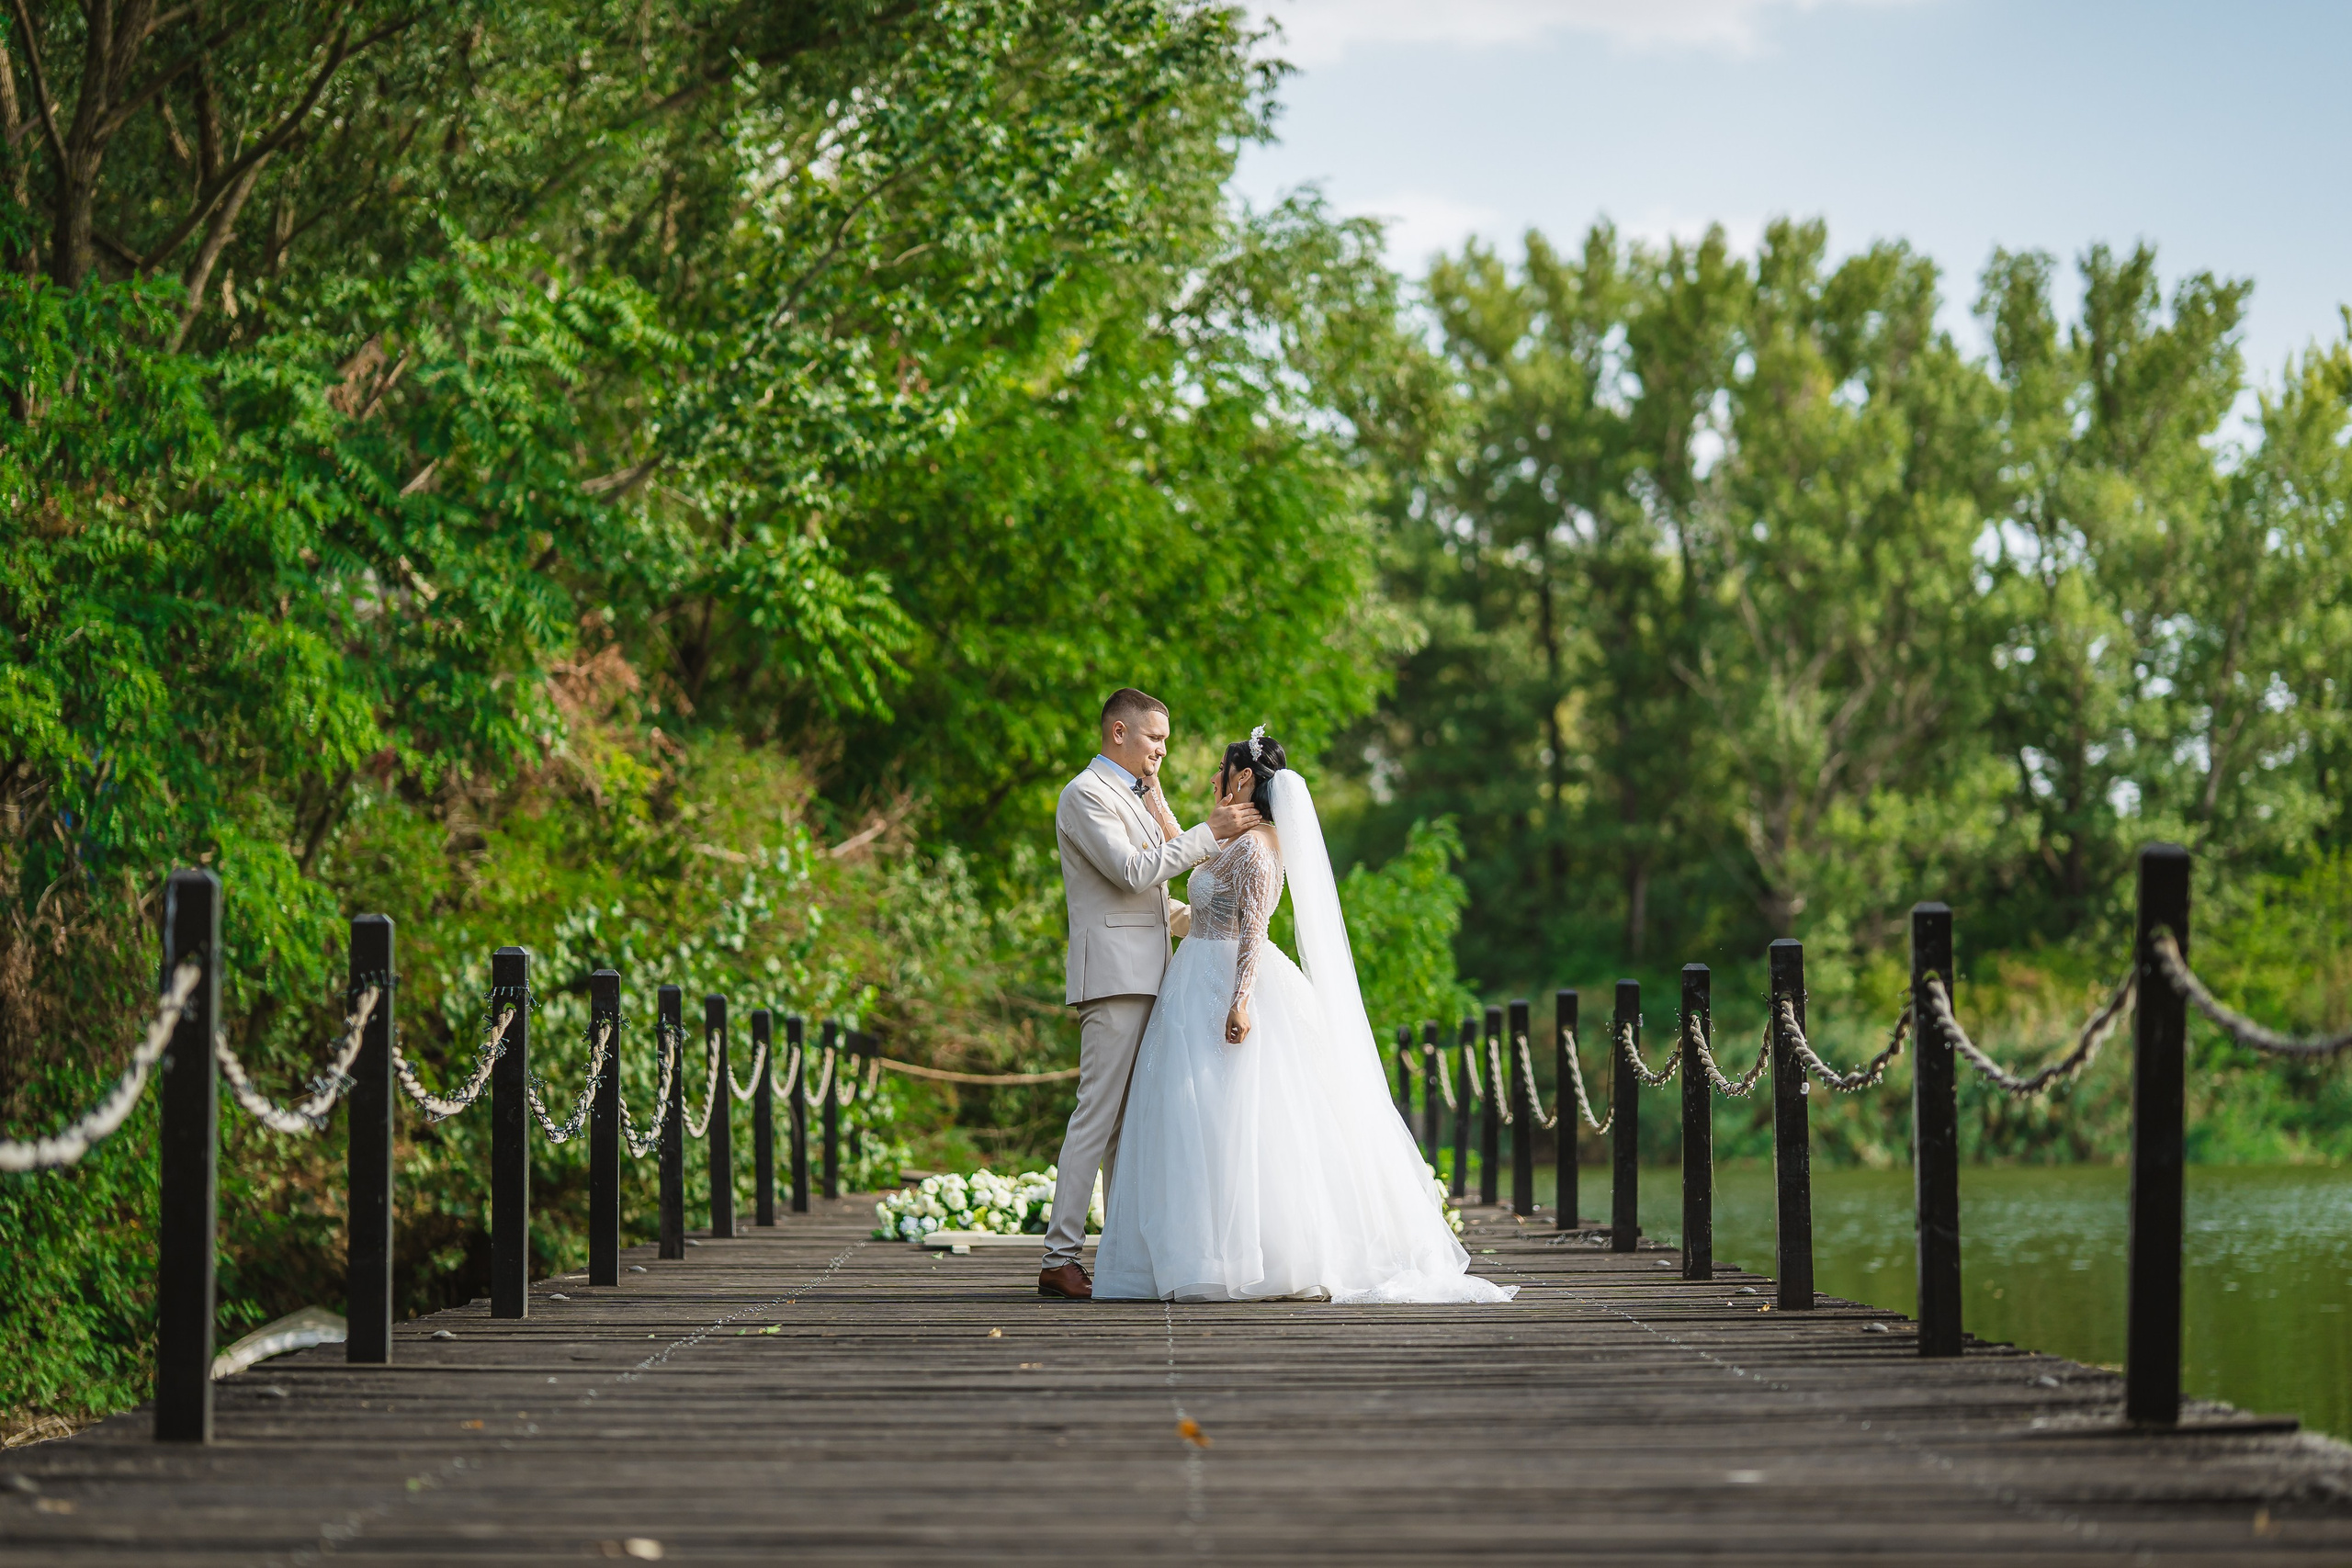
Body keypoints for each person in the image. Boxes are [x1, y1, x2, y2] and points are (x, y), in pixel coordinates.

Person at [1092, 732, 1517, 1304]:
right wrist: (1156, 798)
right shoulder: (1233, 838)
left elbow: (1254, 928)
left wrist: (1241, 1000)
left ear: (1243, 778)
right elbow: (1190, 851)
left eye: (1223, 768)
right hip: (1193, 979)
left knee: (1241, 1115)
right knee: (1196, 1118)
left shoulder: (1262, 846)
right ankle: (1201, 1253)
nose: (1215, 775)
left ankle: (1263, 1257)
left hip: (1227, 983)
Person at [1038, 689, 1262, 1301]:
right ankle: (1059, 1257)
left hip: (1150, 974)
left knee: (1129, 1128)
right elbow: (1133, 873)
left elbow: (1155, 903)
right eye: (1154, 738)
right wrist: (1208, 832)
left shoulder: (1135, 796)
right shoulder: (1085, 794)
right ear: (1118, 731)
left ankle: (1120, 1255)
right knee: (1096, 1119)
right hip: (1113, 977)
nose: (1162, 750)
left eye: (1165, 740)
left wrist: (1221, 928)